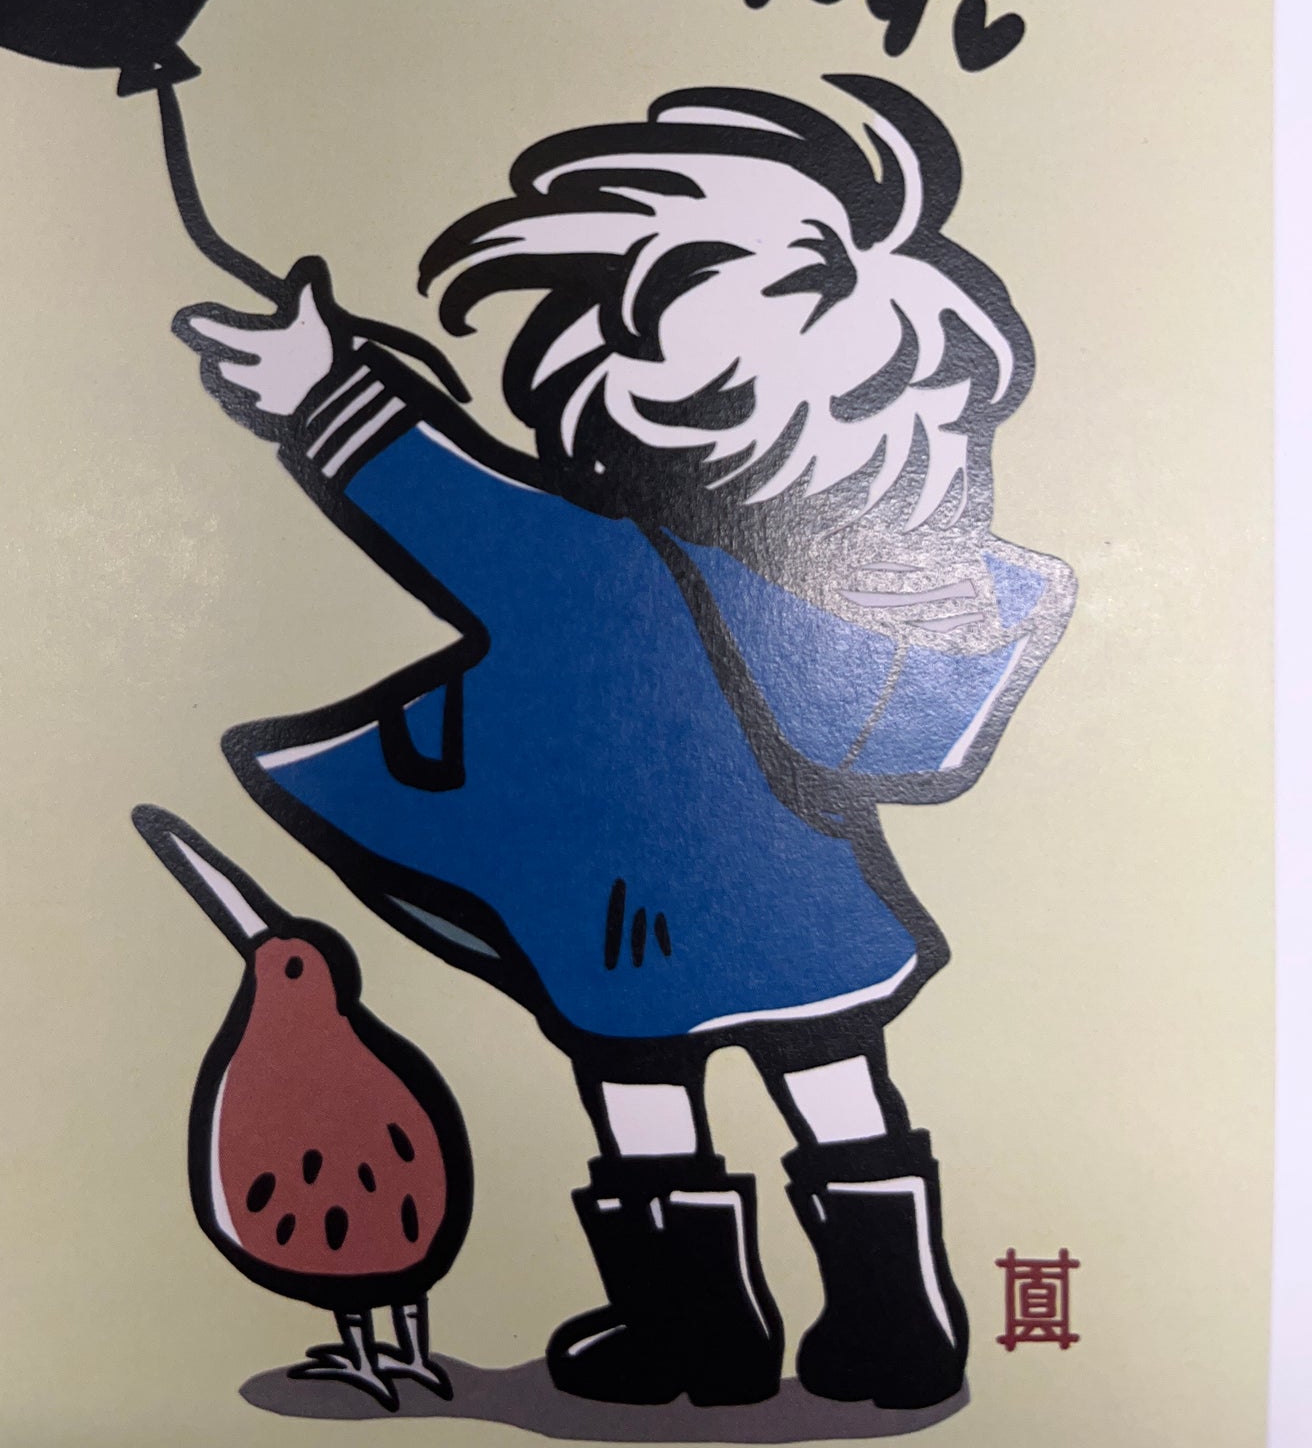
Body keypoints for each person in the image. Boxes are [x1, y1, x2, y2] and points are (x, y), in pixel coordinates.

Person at [176, 74, 1075, 1411]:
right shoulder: (831, 588)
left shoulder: (597, 559)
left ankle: (694, 1334)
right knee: (838, 1079)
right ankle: (900, 1327)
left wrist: (324, 389)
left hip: (629, 921)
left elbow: (445, 501)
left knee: (645, 1095)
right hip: (805, 905)